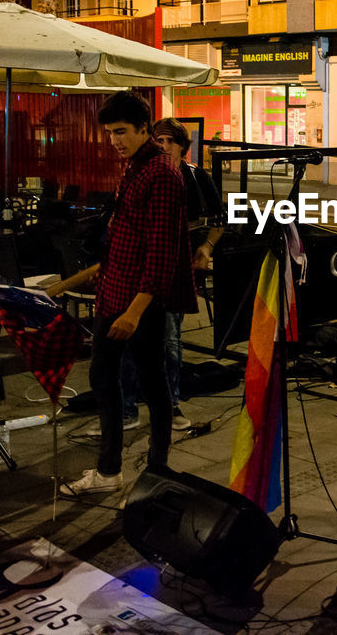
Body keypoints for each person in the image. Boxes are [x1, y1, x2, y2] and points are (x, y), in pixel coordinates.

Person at [60, 92, 197, 497]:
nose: (114, 141)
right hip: (116, 293)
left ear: (144, 129)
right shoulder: (135, 168)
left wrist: (135, 311)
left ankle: (150, 468)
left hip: (139, 303)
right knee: (109, 378)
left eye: (121, 132)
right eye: (109, 133)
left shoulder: (162, 175)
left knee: (151, 384)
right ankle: (113, 470)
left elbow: (161, 253)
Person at [113, 117, 222, 433]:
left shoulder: (195, 178)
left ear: (183, 148)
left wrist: (206, 248)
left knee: (170, 343)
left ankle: (171, 406)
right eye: (157, 140)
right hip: (136, 273)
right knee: (128, 343)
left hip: (173, 275)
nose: (161, 146)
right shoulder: (140, 175)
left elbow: (217, 220)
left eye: (168, 141)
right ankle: (128, 409)